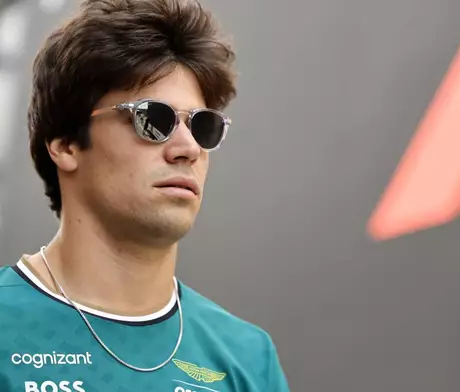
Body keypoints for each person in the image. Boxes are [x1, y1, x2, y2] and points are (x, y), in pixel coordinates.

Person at [0, 0, 290, 391]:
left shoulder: (247, 357)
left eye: (203, 126)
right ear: (66, 143)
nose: (187, 148)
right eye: (153, 119)